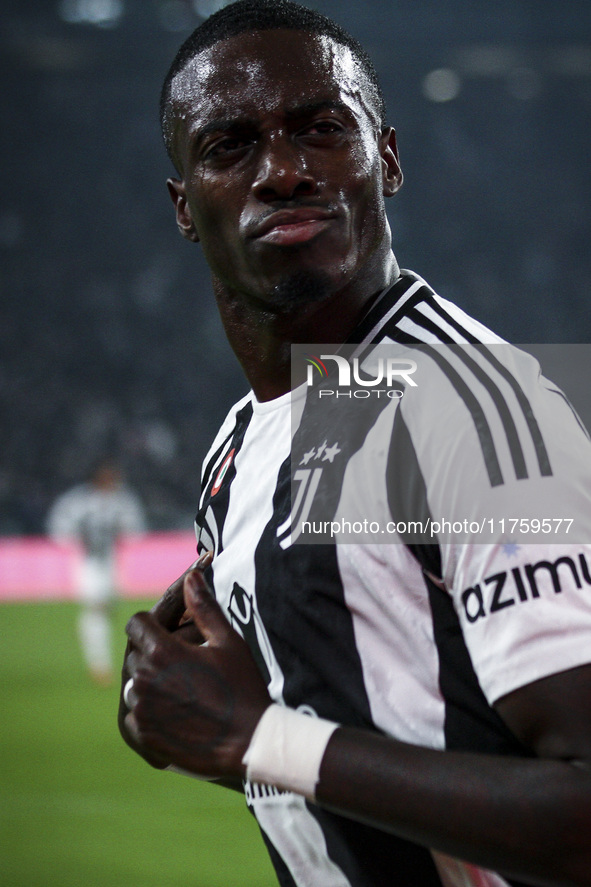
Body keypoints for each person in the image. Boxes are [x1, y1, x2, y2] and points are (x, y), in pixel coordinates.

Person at [118, 2, 591, 885]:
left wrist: (256, 737)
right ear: (185, 208)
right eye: (231, 146)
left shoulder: (472, 406)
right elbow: (377, 716)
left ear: (389, 157)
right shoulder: (258, 430)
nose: (284, 171)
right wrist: (196, 708)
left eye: (322, 130)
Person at [48, 459, 146, 684]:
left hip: (111, 562)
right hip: (88, 562)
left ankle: (100, 660)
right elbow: (60, 527)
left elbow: (135, 529)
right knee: (95, 609)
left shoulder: (120, 500)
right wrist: (77, 540)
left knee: (107, 607)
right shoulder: (79, 501)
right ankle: (99, 665)